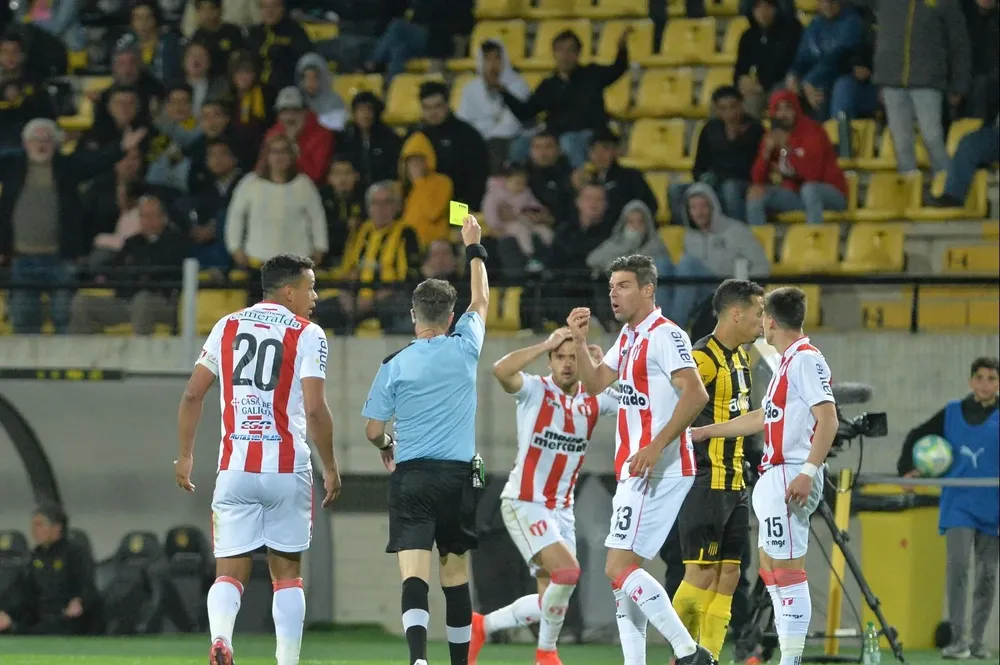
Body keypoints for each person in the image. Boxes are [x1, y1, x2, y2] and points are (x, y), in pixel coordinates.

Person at [174, 254, 342, 665]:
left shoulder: (226, 325)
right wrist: (332, 467)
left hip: (234, 467)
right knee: (287, 575)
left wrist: (184, 456)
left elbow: (193, 394)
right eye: (310, 287)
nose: (315, 296)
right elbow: (317, 409)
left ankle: (220, 639)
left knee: (229, 571)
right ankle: (286, 662)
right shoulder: (307, 333)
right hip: (286, 469)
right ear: (289, 292)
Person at [566, 254, 713, 665]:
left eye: (624, 285)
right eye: (612, 286)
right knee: (623, 577)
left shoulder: (666, 335)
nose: (614, 293)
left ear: (648, 289)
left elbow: (696, 394)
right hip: (636, 469)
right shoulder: (629, 337)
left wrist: (655, 445)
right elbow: (595, 383)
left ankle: (688, 652)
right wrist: (579, 343)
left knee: (617, 566)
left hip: (658, 468)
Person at [361, 215, 490, 665]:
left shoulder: (393, 364)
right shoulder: (466, 346)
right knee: (454, 575)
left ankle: (417, 659)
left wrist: (386, 446)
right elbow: (483, 298)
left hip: (412, 476)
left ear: (414, 315)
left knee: (413, 574)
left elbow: (373, 430)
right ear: (451, 317)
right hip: (457, 478)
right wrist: (473, 247)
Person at [691, 286, 839, 665]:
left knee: (788, 570)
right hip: (774, 474)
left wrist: (808, 471)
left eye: (762, 316)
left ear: (772, 321)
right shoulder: (787, 362)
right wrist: (708, 431)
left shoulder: (805, 360)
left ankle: (791, 660)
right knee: (772, 569)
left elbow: (829, 419)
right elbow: (763, 418)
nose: (760, 324)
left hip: (791, 472)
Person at [469, 330, 619, 665]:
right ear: (550, 360)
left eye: (573, 357)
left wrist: (607, 366)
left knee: (552, 601)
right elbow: (501, 370)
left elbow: (637, 400)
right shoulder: (536, 390)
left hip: (562, 510)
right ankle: (546, 653)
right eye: (560, 357)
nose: (567, 364)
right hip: (525, 502)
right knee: (567, 573)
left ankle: (482, 626)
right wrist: (545, 343)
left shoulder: (595, 398)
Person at [669, 279, 764, 662]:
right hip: (707, 481)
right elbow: (674, 405)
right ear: (735, 313)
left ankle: (709, 656)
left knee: (728, 576)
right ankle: (680, 658)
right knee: (700, 575)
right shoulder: (703, 357)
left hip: (737, 481)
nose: (763, 321)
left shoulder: (741, 357)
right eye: (758, 313)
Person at [896, 356, 998, 660]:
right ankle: (957, 640)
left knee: (987, 575)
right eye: (979, 377)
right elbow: (916, 435)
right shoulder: (952, 412)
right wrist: (906, 469)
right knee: (958, 567)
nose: (984, 383)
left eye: (991, 378)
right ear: (971, 381)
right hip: (958, 505)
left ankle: (978, 640)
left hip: (993, 507)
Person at [0, 504, 99, 635]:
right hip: (40, 618)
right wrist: (7, 613)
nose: (34, 530)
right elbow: (22, 593)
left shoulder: (75, 554)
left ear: (57, 528)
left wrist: (79, 602)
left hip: (68, 618)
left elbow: (87, 587)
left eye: (39, 525)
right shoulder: (33, 557)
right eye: (33, 525)